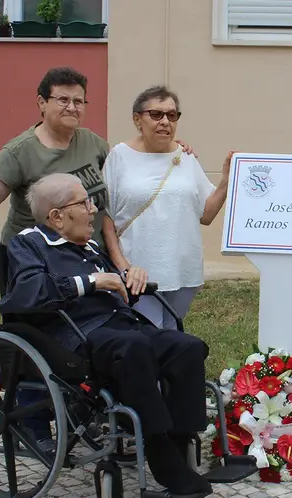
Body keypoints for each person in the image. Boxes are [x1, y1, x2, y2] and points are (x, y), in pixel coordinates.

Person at [0, 173, 213, 495]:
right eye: (84, 202)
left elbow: (115, 290)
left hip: (122, 326)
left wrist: (130, 278)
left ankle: (179, 439)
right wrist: (92, 282)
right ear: (56, 216)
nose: (93, 208)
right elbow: (29, 292)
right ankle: (160, 452)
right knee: (133, 346)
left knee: (187, 347)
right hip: (75, 338)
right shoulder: (30, 243)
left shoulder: (90, 246)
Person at [101, 86, 232, 329]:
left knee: (172, 335)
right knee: (149, 336)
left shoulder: (186, 157)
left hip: (183, 269)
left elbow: (206, 214)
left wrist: (226, 181)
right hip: (138, 271)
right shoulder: (119, 156)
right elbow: (106, 219)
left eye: (172, 115)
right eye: (156, 114)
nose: (165, 122)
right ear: (137, 119)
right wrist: (122, 265)